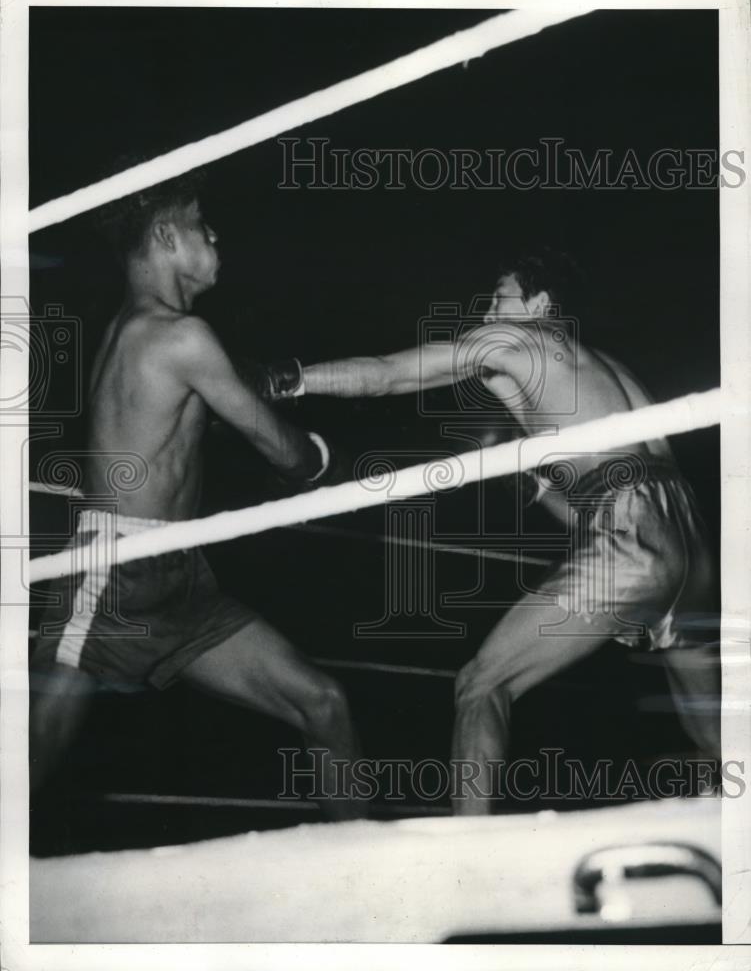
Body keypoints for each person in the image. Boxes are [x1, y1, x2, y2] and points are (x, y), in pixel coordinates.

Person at [258, 247, 721, 814]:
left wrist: (285, 380)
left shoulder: (514, 343)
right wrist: (531, 481)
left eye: (500, 297)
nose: (487, 308)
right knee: (717, 745)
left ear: (539, 305)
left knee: (482, 684)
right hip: (688, 539)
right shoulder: (606, 369)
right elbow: (606, 506)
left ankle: (468, 862)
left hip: (632, 526)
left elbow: (384, 375)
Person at [30, 173, 364, 820]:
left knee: (321, 702)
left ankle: (361, 883)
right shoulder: (178, 336)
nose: (214, 236)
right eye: (200, 223)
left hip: (181, 576)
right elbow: (282, 451)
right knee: (26, 766)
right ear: (165, 236)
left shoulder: (152, 331)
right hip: (116, 575)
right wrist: (325, 459)